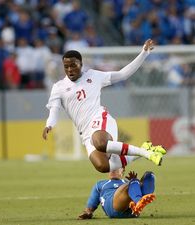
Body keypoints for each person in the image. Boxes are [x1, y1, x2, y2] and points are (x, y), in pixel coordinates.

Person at [42, 39, 166, 173]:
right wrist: (49, 124)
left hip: (100, 119)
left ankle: (145, 153)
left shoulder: (94, 76)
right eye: (66, 66)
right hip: (85, 133)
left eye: (73, 65)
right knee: (102, 166)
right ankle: (145, 150)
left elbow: (123, 74)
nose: (70, 69)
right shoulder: (58, 87)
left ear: (81, 64)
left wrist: (144, 53)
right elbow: (54, 110)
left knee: (100, 143)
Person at [78, 168, 156, 219]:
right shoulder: (100, 184)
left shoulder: (126, 182)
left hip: (130, 211)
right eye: (111, 167)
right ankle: (139, 201)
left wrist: (136, 182)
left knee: (149, 175)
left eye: (116, 167)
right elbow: (90, 207)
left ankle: (138, 204)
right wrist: (87, 213)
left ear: (122, 170)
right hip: (114, 207)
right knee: (133, 183)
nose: (113, 170)